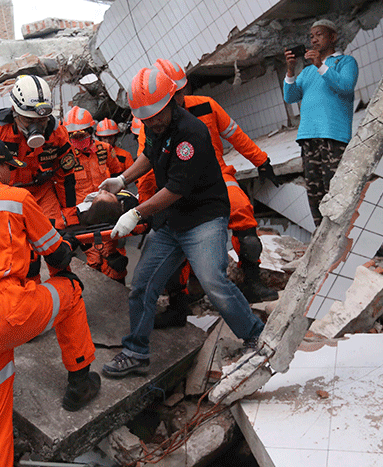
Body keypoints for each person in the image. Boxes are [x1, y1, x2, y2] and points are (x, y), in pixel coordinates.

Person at [98, 67, 265, 378]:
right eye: (145, 118)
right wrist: (120, 179)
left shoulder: (192, 133)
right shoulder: (155, 127)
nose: (151, 122)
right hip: (172, 221)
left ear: (171, 102)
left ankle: (255, 335)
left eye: (156, 116)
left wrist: (136, 213)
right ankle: (136, 352)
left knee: (213, 281)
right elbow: (149, 156)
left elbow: (176, 189)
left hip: (203, 218)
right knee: (143, 286)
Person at [0, 137, 100, 467]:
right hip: (6, 313)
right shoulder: (16, 198)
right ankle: (80, 381)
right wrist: (66, 244)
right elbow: (56, 253)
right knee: (70, 291)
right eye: (9, 170)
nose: (13, 176)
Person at [137, 58, 279, 328]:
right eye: (173, 94)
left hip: (217, 178)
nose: (179, 98)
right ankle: (179, 303)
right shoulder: (153, 122)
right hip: (174, 188)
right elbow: (147, 166)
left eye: (181, 92)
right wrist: (146, 208)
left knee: (242, 213)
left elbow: (235, 134)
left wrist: (261, 161)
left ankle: (252, 280)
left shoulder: (206, 106)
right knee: (171, 237)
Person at [0, 75, 79, 280]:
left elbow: (67, 175)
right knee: (23, 256)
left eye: (41, 121)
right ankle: (30, 297)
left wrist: (70, 215)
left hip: (41, 193)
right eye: (30, 121)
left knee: (58, 247)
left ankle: (67, 293)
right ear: (15, 112)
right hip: (8, 197)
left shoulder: (56, 133)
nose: (36, 127)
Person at [283, 19, 358, 227]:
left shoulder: (345, 62)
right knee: (315, 192)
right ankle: (322, 233)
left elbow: (345, 87)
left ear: (332, 37)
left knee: (335, 188)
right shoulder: (307, 72)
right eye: (311, 36)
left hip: (333, 136)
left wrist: (320, 65)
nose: (314, 39)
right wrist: (290, 70)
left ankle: (345, 231)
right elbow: (290, 96)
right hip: (308, 136)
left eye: (319, 34)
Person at [64, 106, 129, 283]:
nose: (78, 139)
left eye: (82, 135)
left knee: (115, 261)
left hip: (107, 212)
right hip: (84, 218)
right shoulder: (66, 157)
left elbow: (117, 176)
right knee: (94, 261)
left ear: (90, 132)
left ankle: (119, 299)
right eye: (74, 136)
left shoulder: (105, 149)